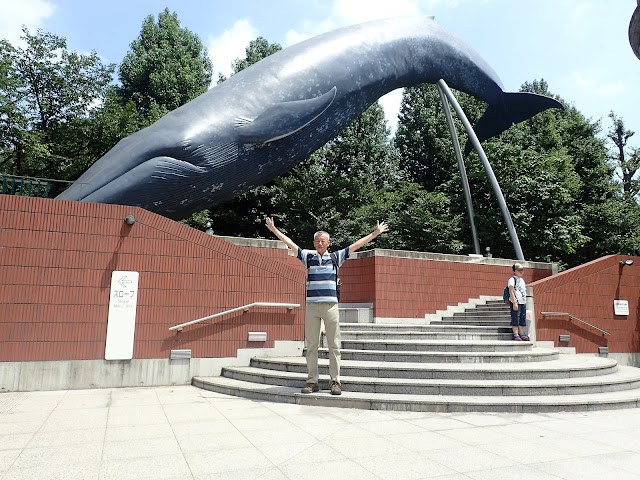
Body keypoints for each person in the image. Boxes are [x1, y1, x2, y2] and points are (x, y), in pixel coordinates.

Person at [265, 217, 389, 395]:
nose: (320, 243)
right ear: (314, 242)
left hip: (331, 306)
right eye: (317, 240)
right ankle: (312, 381)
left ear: (329, 242)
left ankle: (335, 381)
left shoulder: (335, 257)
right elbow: (290, 243)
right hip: (312, 307)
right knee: (312, 345)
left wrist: (375, 233)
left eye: (323, 240)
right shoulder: (308, 256)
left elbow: (355, 245)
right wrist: (274, 230)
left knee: (334, 345)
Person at [508, 263, 528, 341]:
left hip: (523, 302)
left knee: (522, 318)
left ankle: (521, 333)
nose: (521, 272)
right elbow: (511, 291)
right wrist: (514, 302)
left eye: (522, 270)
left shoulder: (522, 280)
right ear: (514, 271)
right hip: (516, 301)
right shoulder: (512, 279)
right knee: (516, 317)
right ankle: (515, 334)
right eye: (519, 270)